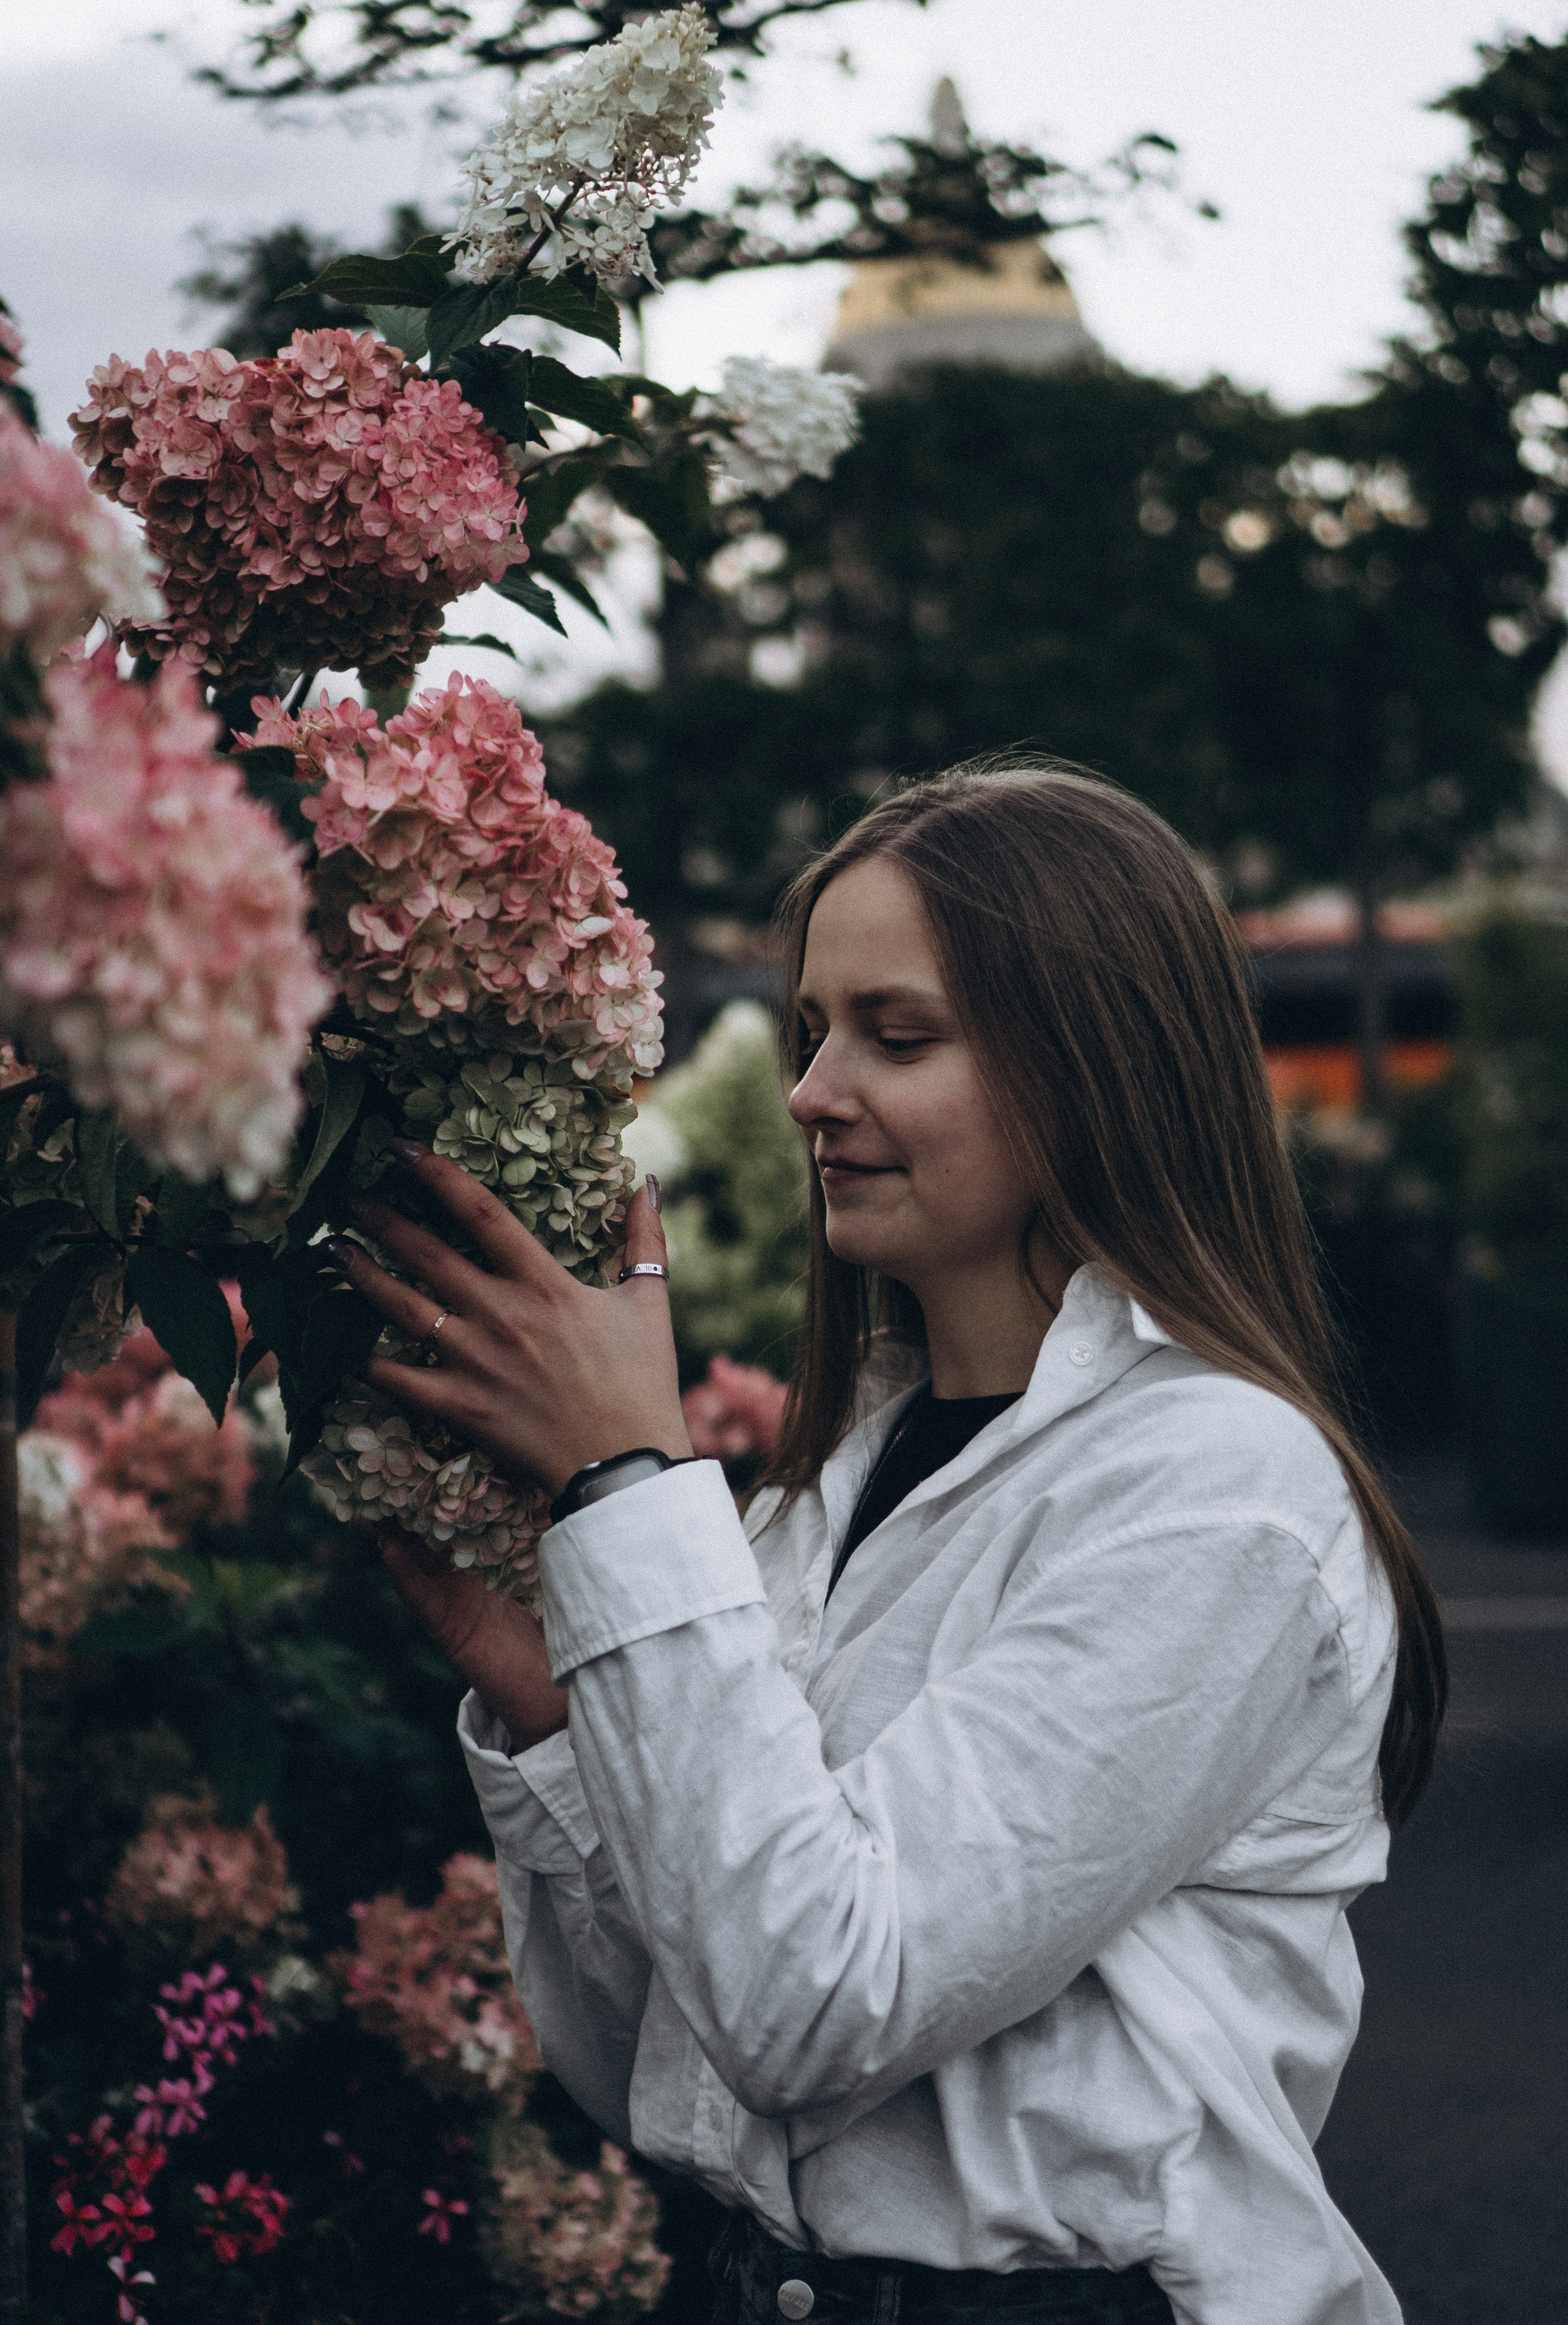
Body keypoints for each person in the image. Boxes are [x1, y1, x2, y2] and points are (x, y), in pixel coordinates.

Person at [327, 764, 1445, 2325]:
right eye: (809, 1033)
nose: (809, 1092)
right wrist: (561, 1730)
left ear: (1093, 1068)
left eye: (894, 1035)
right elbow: (669, 2059)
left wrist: (626, 1481)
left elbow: (814, 2003)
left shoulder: (1219, 1493)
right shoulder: (817, 1497)